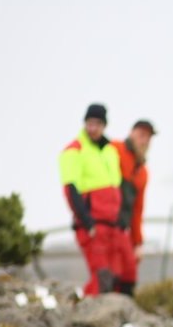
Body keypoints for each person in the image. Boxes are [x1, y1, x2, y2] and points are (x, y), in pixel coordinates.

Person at [59, 103, 123, 296]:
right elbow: (71, 188)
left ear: (104, 125)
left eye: (97, 124)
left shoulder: (110, 150)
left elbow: (116, 186)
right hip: (92, 225)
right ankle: (87, 316)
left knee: (115, 275)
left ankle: (99, 316)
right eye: (89, 123)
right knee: (101, 275)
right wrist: (87, 222)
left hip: (111, 224)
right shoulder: (74, 150)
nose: (93, 128)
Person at [110, 119, 156, 295]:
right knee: (110, 272)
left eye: (148, 138)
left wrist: (137, 243)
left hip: (123, 228)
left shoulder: (142, 172)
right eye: (141, 135)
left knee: (129, 271)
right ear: (132, 133)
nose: (144, 141)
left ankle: (123, 311)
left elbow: (138, 209)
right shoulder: (114, 149)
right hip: (106, 223)